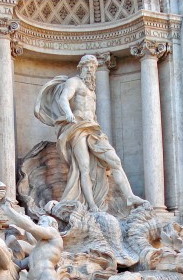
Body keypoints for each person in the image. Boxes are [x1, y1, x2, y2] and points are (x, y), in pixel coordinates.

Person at [34, 54, 145, 214]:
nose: (90, 70)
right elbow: (63, 98)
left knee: (115, 161)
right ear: (81, 67)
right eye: (87, 66)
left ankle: (129, 196)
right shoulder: (74, 82)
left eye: (93, 67)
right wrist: (68, 113)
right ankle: (92, 205)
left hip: (93, 129)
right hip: (77, 126)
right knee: (83, 167)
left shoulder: (91, 90)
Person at [0, 199, 63, 280]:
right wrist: (7, 254)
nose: (40, 224)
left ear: (53, 225)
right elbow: (20, 264)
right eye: (39, 222)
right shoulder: (38, 249)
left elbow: (32, 227)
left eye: (43, 222)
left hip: (46, 276)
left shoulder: (54, 233)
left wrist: (8, 209)